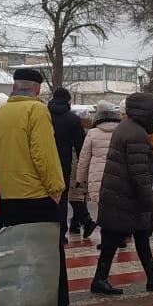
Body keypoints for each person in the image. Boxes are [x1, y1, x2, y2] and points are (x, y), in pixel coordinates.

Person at [0, 68, 72, 306]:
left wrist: (5, 183)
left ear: (15, 86)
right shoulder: (36, 110)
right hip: (37, 194)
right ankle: (58, 305)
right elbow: (44, 155)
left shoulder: (0, 113)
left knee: (14, 250)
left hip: (10, 195)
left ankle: (12, 304)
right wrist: (56, 188)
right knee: (50, 251)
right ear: (37, 89)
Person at [91, 92, 153, 295]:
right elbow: (139, 174)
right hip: (127, 198)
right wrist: (148, 202)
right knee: (115, 240)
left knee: (136, 237)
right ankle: (100, 280)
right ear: (145, 112)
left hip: (119, 195)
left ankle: (152, 277)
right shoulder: (135, 134)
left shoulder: (126, 128)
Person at [72, 101, 119, 242]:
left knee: (102, 209)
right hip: (117, 174)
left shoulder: (93, 133)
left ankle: (106, 241)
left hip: (97, 176)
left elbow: (84, 158)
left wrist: (80, 179)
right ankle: (120, 237)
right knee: (116, 208)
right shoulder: (120, 131)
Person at [48, 87, 87, 242]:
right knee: (61, 198)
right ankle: (60, 233)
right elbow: (80, 146)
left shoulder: (44, 116)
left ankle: (47, 230)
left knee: (45, 198)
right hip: (63, 163)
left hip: (44, 162)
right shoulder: (73, 119)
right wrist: (82, 170)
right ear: (68, 100)